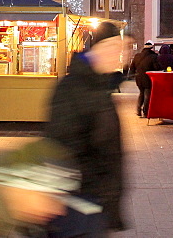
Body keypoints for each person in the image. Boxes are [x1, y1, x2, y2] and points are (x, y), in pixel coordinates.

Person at [44, 21, 130, 235]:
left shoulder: (101, 87)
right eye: (115, 48)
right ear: (99, 48)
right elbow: (60, 147)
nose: (120, 56)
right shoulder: (72, 88)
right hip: (81, 205)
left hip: (98, 204)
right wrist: (86, 200)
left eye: (123, 50)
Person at [130, 41, 160, 118]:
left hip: (139, 78)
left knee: (141, 93)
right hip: (148, 77)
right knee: (147, 95)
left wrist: (132, 75)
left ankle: (138, 110)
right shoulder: (154, 57)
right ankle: (146, 112)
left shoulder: (137, 56)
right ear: (151, 48)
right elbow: (157, 68)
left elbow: (132, 67)